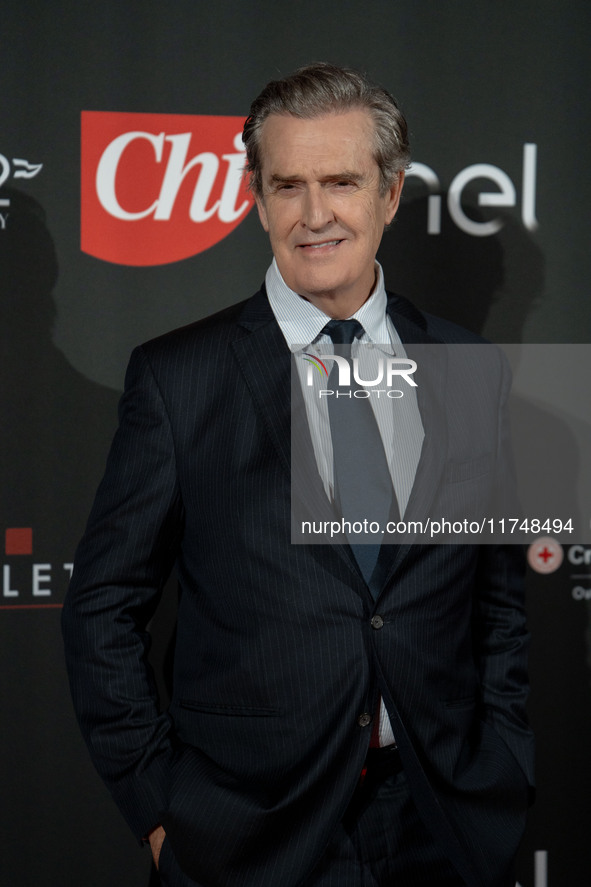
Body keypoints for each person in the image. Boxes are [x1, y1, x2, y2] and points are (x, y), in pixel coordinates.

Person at [62, 63, 534, 887]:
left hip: (441, 821)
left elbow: (496, 600)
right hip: (247, 839)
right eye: (287, 185)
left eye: (341, 181)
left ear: (388, 194)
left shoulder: (467, 365)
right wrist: (161, 810)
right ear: (255, 199)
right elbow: (103, 607)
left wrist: (503, 762)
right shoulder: (179, 378)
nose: (314, 214)